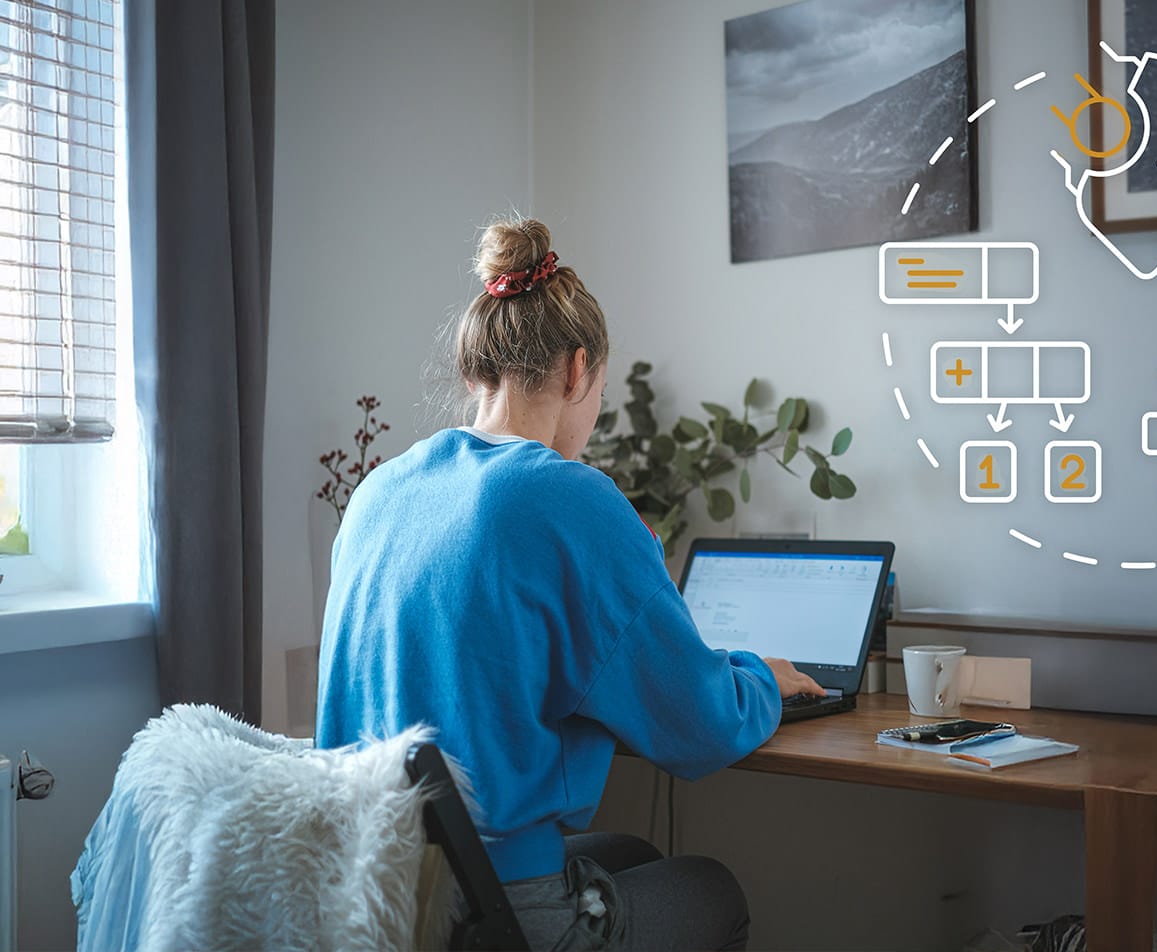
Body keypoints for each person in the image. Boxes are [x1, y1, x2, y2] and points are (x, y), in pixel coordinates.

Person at [316, 216, 824, 951]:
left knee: (637, 858)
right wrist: (763, 679)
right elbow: (701, 726)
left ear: (474, 372)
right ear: (578, 370)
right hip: (483, 911)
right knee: (711, 888)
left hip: (376, 895)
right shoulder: (567, 496)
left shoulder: (378, 492)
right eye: (599, 394)